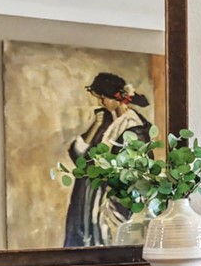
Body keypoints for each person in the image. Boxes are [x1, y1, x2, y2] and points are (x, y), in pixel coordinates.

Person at [63, 72, 152, 247]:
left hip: (111, 202)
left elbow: (136, 172)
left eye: (102, 98)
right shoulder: (107, 122)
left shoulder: (134, 128)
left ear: (114, 97)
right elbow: (79, 156)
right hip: (93, 197)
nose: (100, 103)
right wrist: (96, 125)